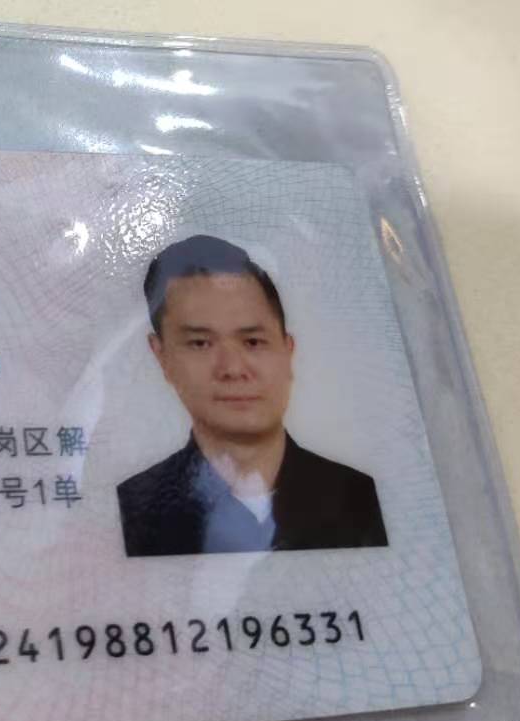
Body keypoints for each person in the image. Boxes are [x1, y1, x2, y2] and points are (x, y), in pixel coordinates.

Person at [116, 234, 387, 557]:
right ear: (162, 357)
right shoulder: (134, 510)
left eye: (253, 342)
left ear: (287, 350)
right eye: (200, 343)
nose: (233, 369)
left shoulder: (360, 498)